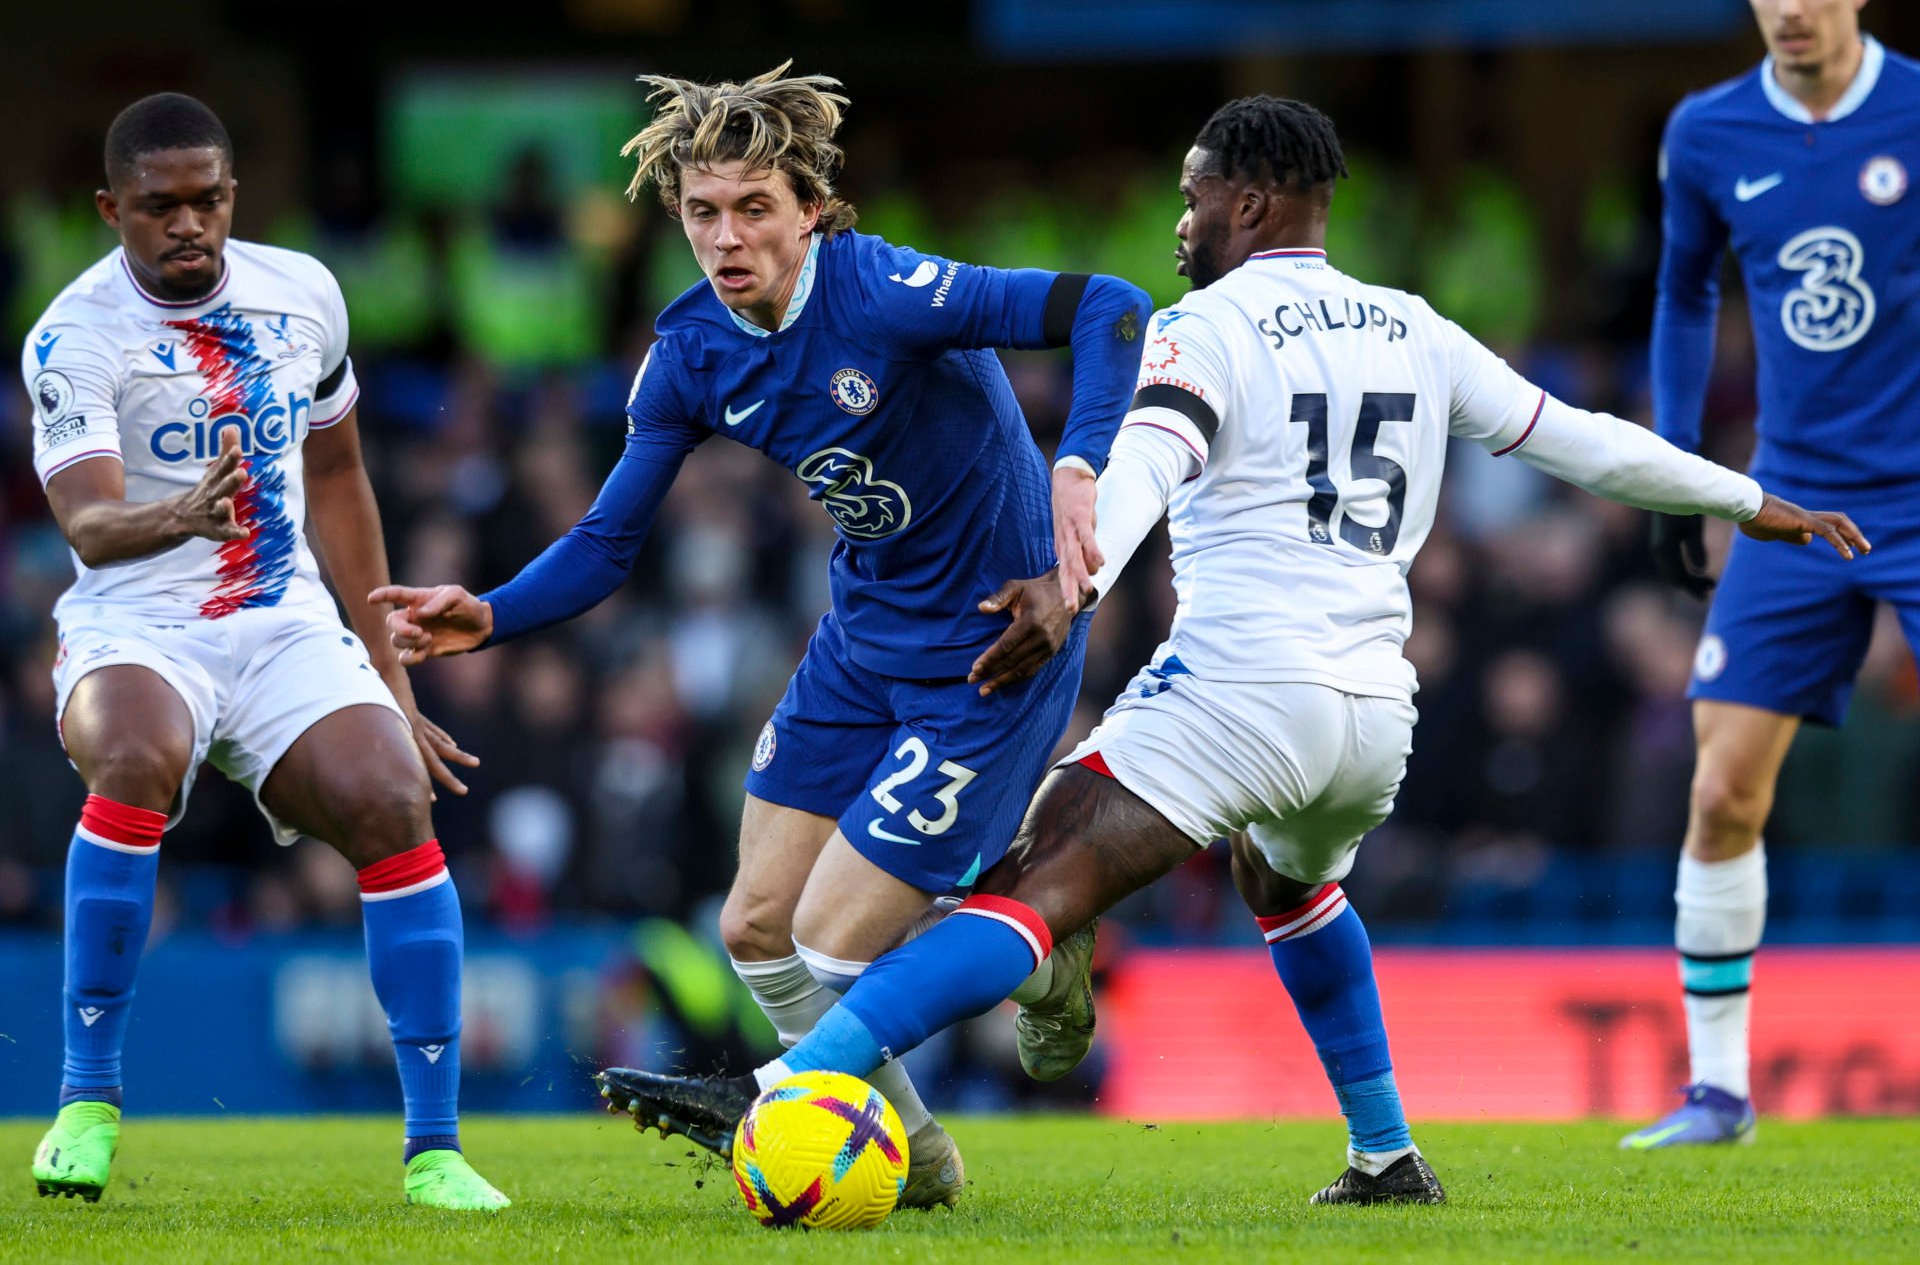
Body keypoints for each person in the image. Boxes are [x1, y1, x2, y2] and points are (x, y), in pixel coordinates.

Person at [598, 94, 1868, 1204]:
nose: (1179, 219)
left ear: (1249, 203)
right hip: (1375, 715)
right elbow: (1583, 439)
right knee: (1292, 890)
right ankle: (1384, 1154)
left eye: (1194, 193)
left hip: (1237, 694)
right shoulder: (1413, 325)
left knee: (1031, 884)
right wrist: (1747, 497)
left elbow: (1150, 461)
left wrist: (1067, 574)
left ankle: (786, 1083)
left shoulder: (1199, 328)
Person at [371, 63, 1151, 1207]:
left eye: (754, 209)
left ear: (812, 210)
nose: (725, 238)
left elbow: (1110, 306)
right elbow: (606, 540)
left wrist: (1076, 471)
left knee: (836, 941)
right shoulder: (689, 351)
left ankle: (1010, 948)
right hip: (860, 640)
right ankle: (923, 1155)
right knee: (754, 928)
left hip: (993, 651)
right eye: (701, 212)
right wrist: (490, 612)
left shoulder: (883, 288)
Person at [20, 93, 506, 1211]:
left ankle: (436, 1149)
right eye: (159, 207)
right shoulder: (73, 332)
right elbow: (89, 523)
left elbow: (336, 474)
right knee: (134, 755)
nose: (187, 224)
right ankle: (86, 1102)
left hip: (285, 622)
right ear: (112, 210)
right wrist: (178, 515)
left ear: (234, 195)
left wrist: (388, 671)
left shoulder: (305, 293)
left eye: (208, 200)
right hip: (139, 623)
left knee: (393, 794)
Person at [1626, 0, 1920, 1149]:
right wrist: (1678, 466)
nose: (1790, 5)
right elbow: (1685, 288)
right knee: (1720, 792)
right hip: (1795, 499)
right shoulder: (1706, 130)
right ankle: (1718, 1093)